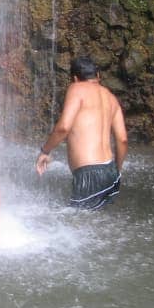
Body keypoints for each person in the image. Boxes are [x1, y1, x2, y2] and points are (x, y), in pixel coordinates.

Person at [36, 56, 128, 210]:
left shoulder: (76, 88)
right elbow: (123, 139)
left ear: (75, 78)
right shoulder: (112, 98)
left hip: (89, 173)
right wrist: (117, 170)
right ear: (98, 76)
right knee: (92, 227)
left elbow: (63, 127)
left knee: (74, 226)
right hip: (110, 172)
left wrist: (45, 151)